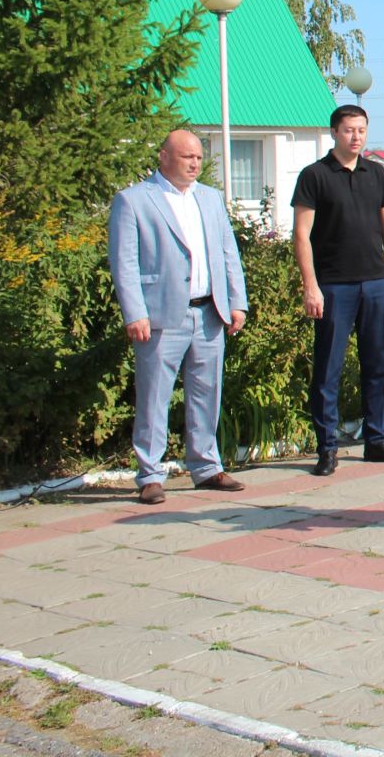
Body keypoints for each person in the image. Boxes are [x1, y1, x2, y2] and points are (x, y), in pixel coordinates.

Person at [107, 130, 249, 504]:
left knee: (207, 392)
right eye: (187, 156)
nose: (195, 163)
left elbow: (228, 254)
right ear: (164, 157)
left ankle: (205, 467)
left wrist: (237, 302)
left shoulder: (211, 198)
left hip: (209, 313)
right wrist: (134, 311)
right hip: (160, 316)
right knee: (155, 396)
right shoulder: (134, 200)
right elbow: (124, 262)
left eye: (199, 157)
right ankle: (150, 474)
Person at [292, 105, 384, 476]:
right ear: (334, 133)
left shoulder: (376, 173)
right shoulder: (314, 176)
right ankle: (327, 447)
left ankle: (376, 439)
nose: (356, 137)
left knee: (377, 363)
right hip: (333, 286)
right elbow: (301, 235)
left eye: (361, 130)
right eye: (348, 130)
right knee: (329, 367)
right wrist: (311, 286)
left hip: (375, 281)